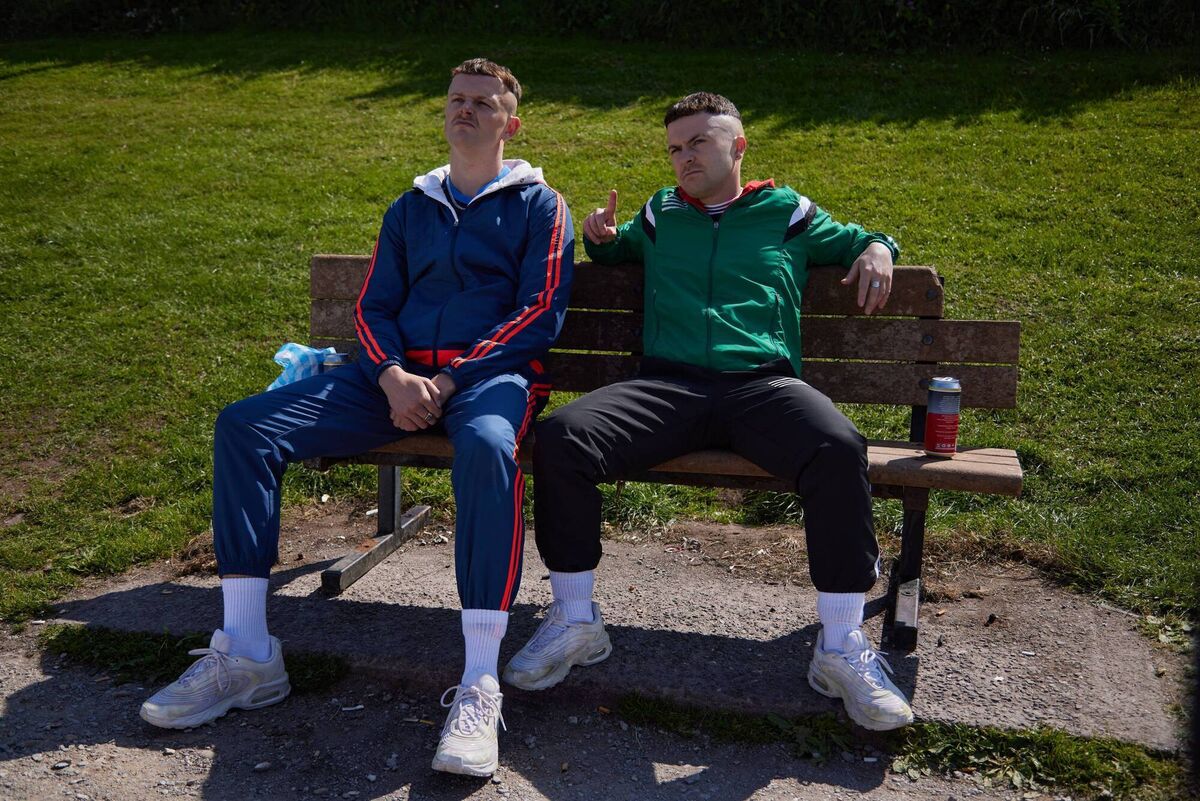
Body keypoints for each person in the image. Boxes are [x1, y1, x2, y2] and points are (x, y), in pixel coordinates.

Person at [140, 58, 575, 776]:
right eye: (455, 99)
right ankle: (248, 652)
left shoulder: (539, 205)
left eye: (482, 101)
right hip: (391, 382)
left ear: (512, 123)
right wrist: (392, 376)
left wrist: (449, 378)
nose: (464, 110)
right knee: (245, 426)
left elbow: (540, 311)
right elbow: (372, 306)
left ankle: (479, 681)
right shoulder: (410, 207)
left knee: (488, 446)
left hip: (488, 380)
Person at [504, 92, 913, 732]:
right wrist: (602, 237)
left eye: (699, 142)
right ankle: (576, 620)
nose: (685, 157)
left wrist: (880, 247)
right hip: (670, 386)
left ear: (738, 146)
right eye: (675, 148)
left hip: (762, 385)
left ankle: (840, 646)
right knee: (564, 437)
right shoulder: (661, 212)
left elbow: (858, 238)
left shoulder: (787, 212)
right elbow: (620, 249)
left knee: (837, 446)